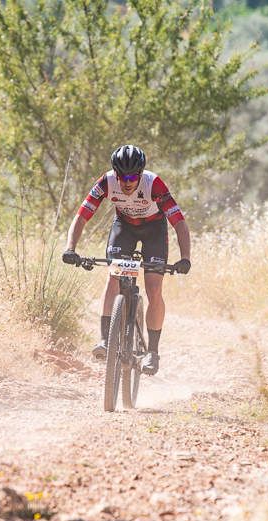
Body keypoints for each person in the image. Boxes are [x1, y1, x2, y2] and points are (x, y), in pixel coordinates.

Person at [62, 145, 190, 374]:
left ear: (140, 175)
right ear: (115, 173)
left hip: (154, 230)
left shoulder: (154, 184)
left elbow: (179, 222)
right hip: (125, 228)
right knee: (114, 277)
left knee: (153, 288)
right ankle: (105, 339)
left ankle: (152, 352)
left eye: (132, 177)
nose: (127, 182)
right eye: (122, 177)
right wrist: (70, 248)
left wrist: (185, 257)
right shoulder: (106, 182)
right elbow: (81, 217)